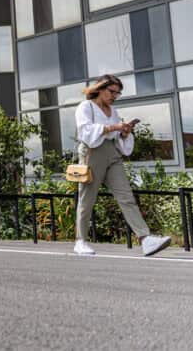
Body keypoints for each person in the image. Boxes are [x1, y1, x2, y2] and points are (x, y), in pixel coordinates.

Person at [73, 75, 172, 257]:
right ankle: (81, 241)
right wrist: (113, 127)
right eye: (112, 92)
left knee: (126, 196)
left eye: (118, 93)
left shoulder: (113, 110)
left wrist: (124, 133)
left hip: (113, 153)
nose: (114, 96)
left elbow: (118, 140)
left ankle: (145, 238)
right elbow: (85, 132)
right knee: (87, 199)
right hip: (92, 153)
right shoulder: (86, 107)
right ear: (100, 89)